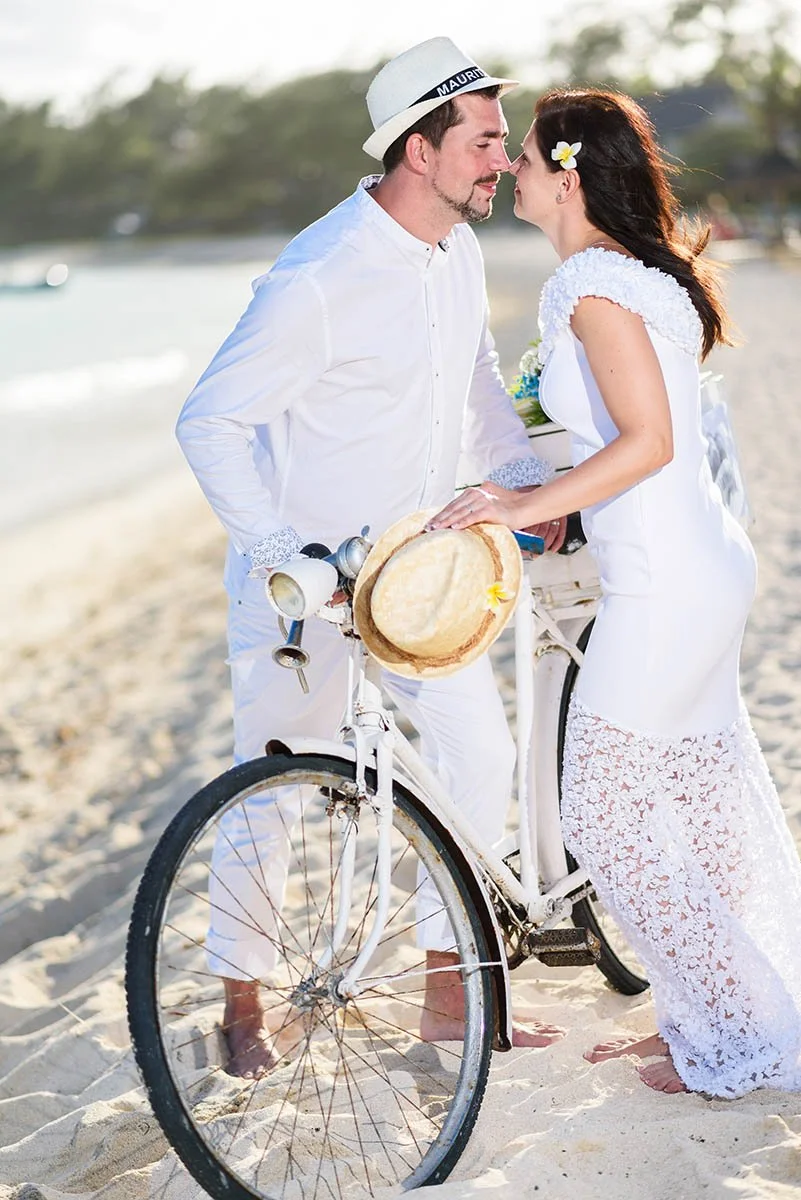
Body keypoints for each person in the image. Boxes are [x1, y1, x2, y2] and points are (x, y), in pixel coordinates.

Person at [176, 36, 567, 1078]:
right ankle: (242, 1008)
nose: (501, 162)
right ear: (418, 147)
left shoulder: (458, 249)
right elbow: (209, 423)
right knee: (271, 791)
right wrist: (281, 554)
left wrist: (524, 476)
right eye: (484, 143)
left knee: (478, 757)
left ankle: (448, 995)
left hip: (421, 579)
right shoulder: (320, 274)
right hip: (304, 588)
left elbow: (476, 377)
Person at [428, 87, 801, 1097]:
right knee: (699, 801)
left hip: (666, 582)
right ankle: (716, 1019)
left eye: (527, 159)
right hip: (701, 564)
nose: (510, 170)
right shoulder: (640, 277)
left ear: (570, 173)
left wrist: (518, 502)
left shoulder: (589, 284)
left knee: (601, 814)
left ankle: (738, 1032)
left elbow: (649, 441)